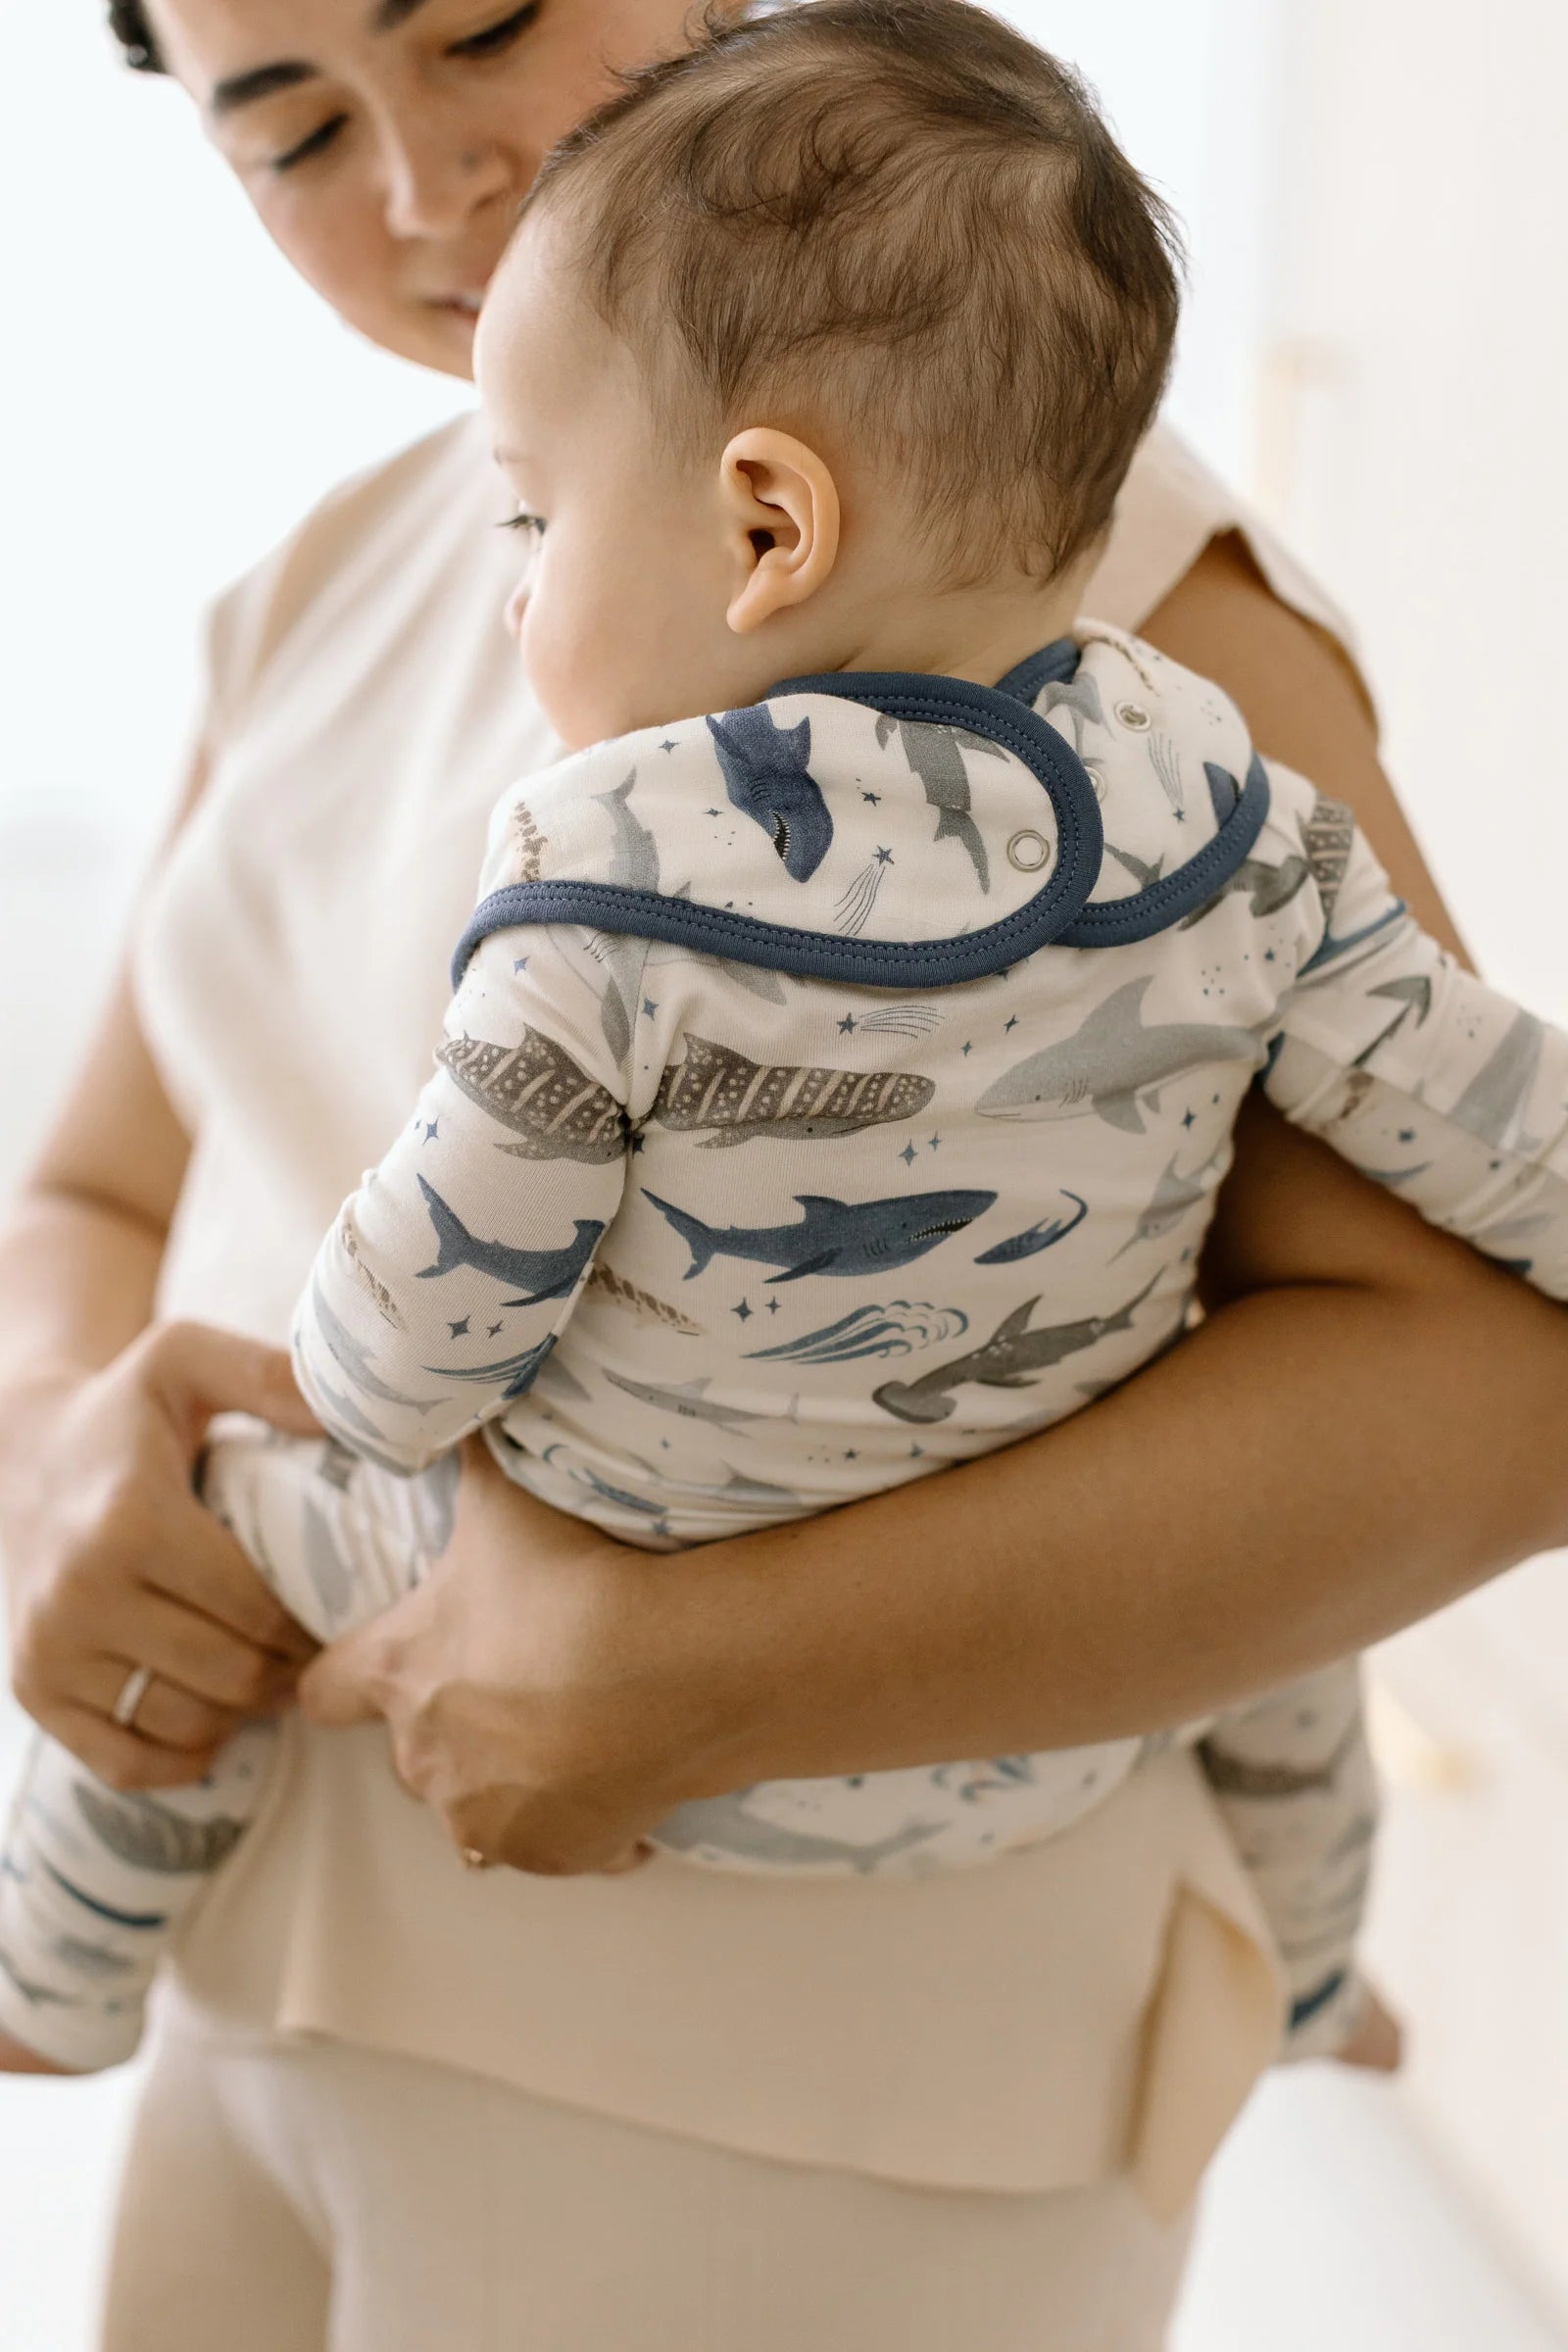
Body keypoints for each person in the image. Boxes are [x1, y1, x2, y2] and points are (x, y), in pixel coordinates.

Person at [0, 0, 1563, 2341]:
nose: (425, 186)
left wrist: (691, 1672)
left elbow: (1493, 1390)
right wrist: (50, 1448)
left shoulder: (1094, 598)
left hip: (805, 2112)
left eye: (481, 23)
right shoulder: (341, 564)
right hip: (259, 1993)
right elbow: (98, 1191)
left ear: (772, 519)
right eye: (294, 128)